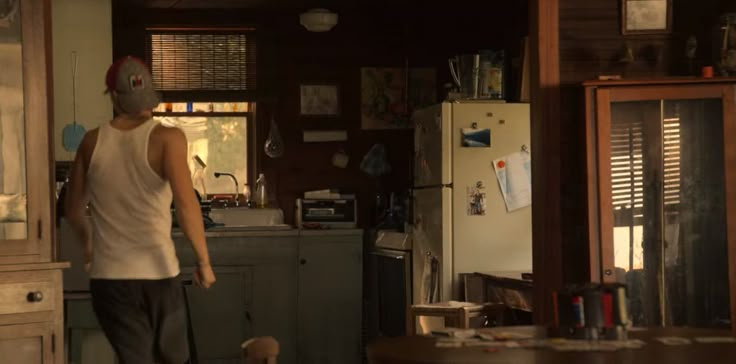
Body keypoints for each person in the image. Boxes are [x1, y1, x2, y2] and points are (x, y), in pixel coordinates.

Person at [64, 55, 216, 364]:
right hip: (159, 275)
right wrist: (203, 261)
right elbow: (187, 205)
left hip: (111, 279)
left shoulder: (91, 142)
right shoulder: (168, 138)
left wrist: (90, 247)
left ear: (115, 98)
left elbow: (74, 210)